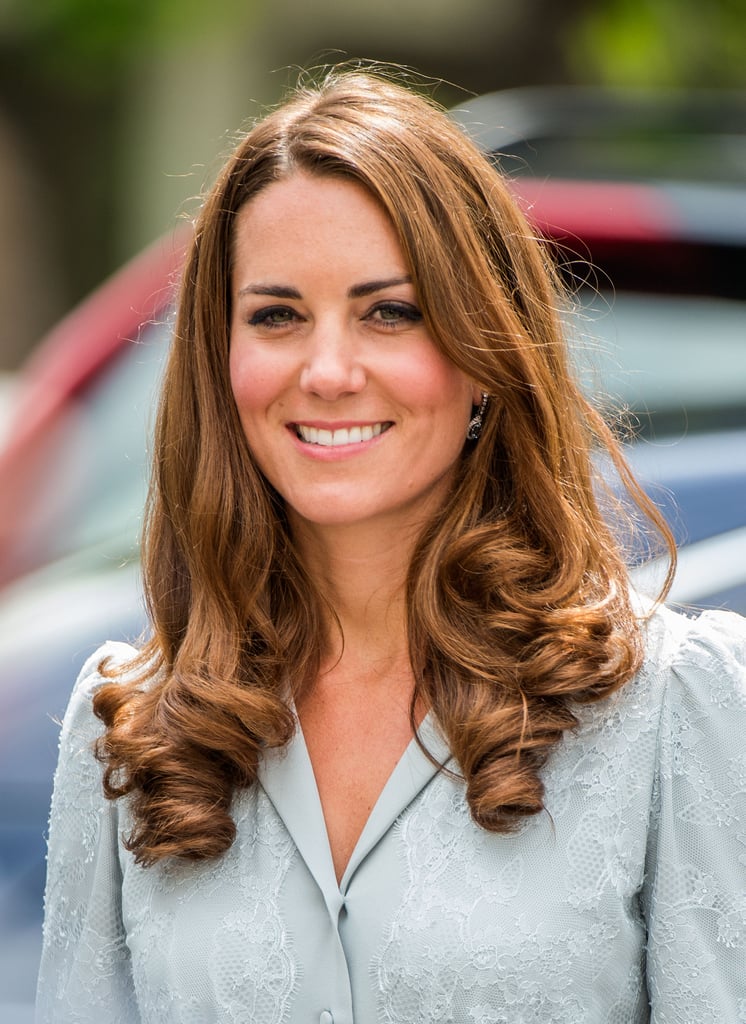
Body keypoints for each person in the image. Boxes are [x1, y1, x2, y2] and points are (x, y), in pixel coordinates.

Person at [36, 68, 746, 1024]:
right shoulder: (125, 723)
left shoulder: (669, 705)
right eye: (277, 315)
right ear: (220, 356)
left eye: (391, 312)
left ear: (485, 355)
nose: (328, 371)